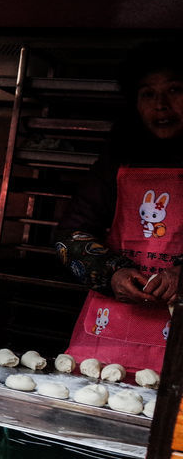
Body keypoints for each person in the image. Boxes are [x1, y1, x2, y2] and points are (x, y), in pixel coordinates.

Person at [55, 39, 183, 373]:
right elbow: (70, 235)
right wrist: (114, 273)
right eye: (148, 94)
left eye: (174, 90)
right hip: (109, 336)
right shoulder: (115, 162)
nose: (162, 106)